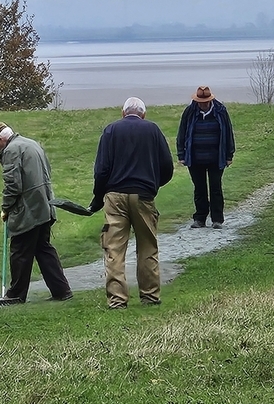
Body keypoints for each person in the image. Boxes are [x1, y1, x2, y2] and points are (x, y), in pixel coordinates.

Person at [89, 97, 173, 309]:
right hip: (144, 195)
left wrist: (98, 198)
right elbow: (167, 167)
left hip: (115, 196)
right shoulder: (153, 130)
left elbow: (101, 170)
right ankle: (150, 296)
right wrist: (153, 184)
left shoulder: (110, 131)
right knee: (147, 247)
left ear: (122, 112)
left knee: (114, 249)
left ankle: (117, 300)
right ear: (143, 114)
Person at [0, 122, 73, 305]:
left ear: (0, 139)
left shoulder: (12, 150)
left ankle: (16, 294)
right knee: (43, 249)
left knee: (19, 251)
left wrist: (6, 208)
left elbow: (13, 186)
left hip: (29, 209)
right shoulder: (31, 143)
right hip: (45, 205)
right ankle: (61, 290)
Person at [175, 86, 235, 229]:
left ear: (210, 100)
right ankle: (200, 218)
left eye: (205, 101)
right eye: (200, 101)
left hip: (216, 158)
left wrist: (229, 155)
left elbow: (228, 132)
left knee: (216, 188)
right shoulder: (189, 112)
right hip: (195, 158)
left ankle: (217, 220)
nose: (202, 104)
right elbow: (182, 133)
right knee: (199, 189)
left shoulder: (220, 111)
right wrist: (181, 155)